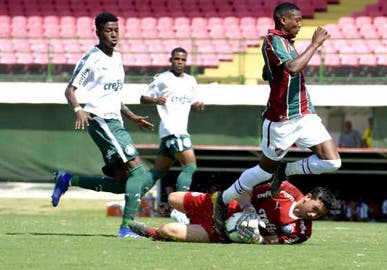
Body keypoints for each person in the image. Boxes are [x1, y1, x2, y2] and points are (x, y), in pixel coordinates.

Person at [213, 2, 341, 239]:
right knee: (263, 171)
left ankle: (286, 169)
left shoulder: (286, 44)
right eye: (297, 20)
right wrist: (315, 44)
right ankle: (224, 199)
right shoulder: (273, 40)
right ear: (284, 20)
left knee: (333, 162)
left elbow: (268, 72)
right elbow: (292, 68)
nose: (300, 24)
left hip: (304, 114)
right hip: (282, 121)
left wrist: (271, 70)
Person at [50, 12, 161, 238]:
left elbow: (113, 94)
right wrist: (78, 109)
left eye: (116, 30)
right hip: (102, 120)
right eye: (109, 30)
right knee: (138, 172)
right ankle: (127, 227)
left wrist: (131, 116)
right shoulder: (92, 58)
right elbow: (70, 89)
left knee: (123, 183)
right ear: (98, 31)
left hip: (115, 120)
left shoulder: (117, 57)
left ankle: (68, 179)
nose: (114, 34)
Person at [129, 181, 336, 244]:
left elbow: (274, 241)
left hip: (222, 231)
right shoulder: (283, 189)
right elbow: (245, 190)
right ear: (308, 197)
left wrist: (254, 236)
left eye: (318, 215)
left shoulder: (302, 232)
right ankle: (185, 217)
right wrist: (248, 208)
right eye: (314, 209)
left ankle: (153, 233)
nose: (312, 216)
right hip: (221, 205)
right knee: (174, 198)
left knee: (168, 230)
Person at [140, 47, 204, 223]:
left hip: (174, 132)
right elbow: (143, 98)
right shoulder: (162, 79)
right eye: (176, 59)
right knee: (190, 166)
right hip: (173, 130)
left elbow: (189, 101)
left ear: (186, 61)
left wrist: (196, 105)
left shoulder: (191, 80)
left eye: (183, 60)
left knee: (158, 171)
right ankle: (179, 210)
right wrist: (155, 100)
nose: (179, 62)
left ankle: (133, 193)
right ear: (171, 60)